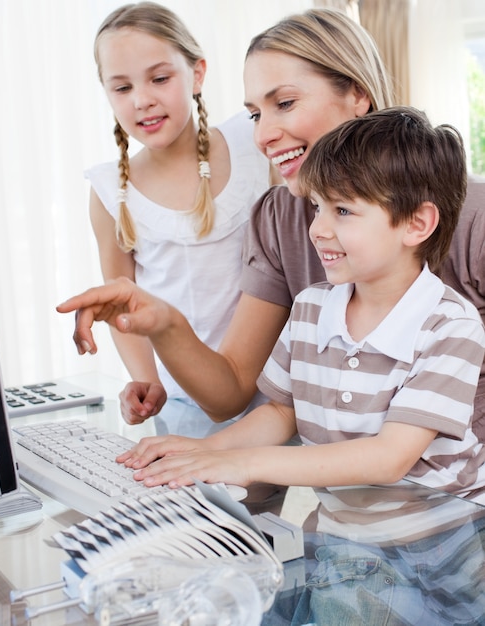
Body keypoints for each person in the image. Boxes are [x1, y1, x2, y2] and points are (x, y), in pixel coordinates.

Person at [58, 8, 484, 440]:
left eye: (284, 103)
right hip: (351, 498)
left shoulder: (476, 218)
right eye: (255, 115)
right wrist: (165, 323)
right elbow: (232, 394)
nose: (262, 136)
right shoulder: (279, 218)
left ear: (357, 93)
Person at [115, 106, 485, 506]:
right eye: (316, 207)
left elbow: (388, 458)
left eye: (342, 211)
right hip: (347, 536)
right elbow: (280, 412)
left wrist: (244, 465)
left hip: (441, 547)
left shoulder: (451, 326)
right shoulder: (310, 308)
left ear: (416, 224)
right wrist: (205, 451)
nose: (317, 230)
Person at [86, 2, 273, 435]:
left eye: (160, 78)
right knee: (205, 503)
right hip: (185, 398)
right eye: (122, 87)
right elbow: (122, 302)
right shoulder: (110, 192)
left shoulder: (253, 139)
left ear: (198, 73)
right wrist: (145, 378)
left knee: (263, 497)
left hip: (279, 386)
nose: (143, 99)